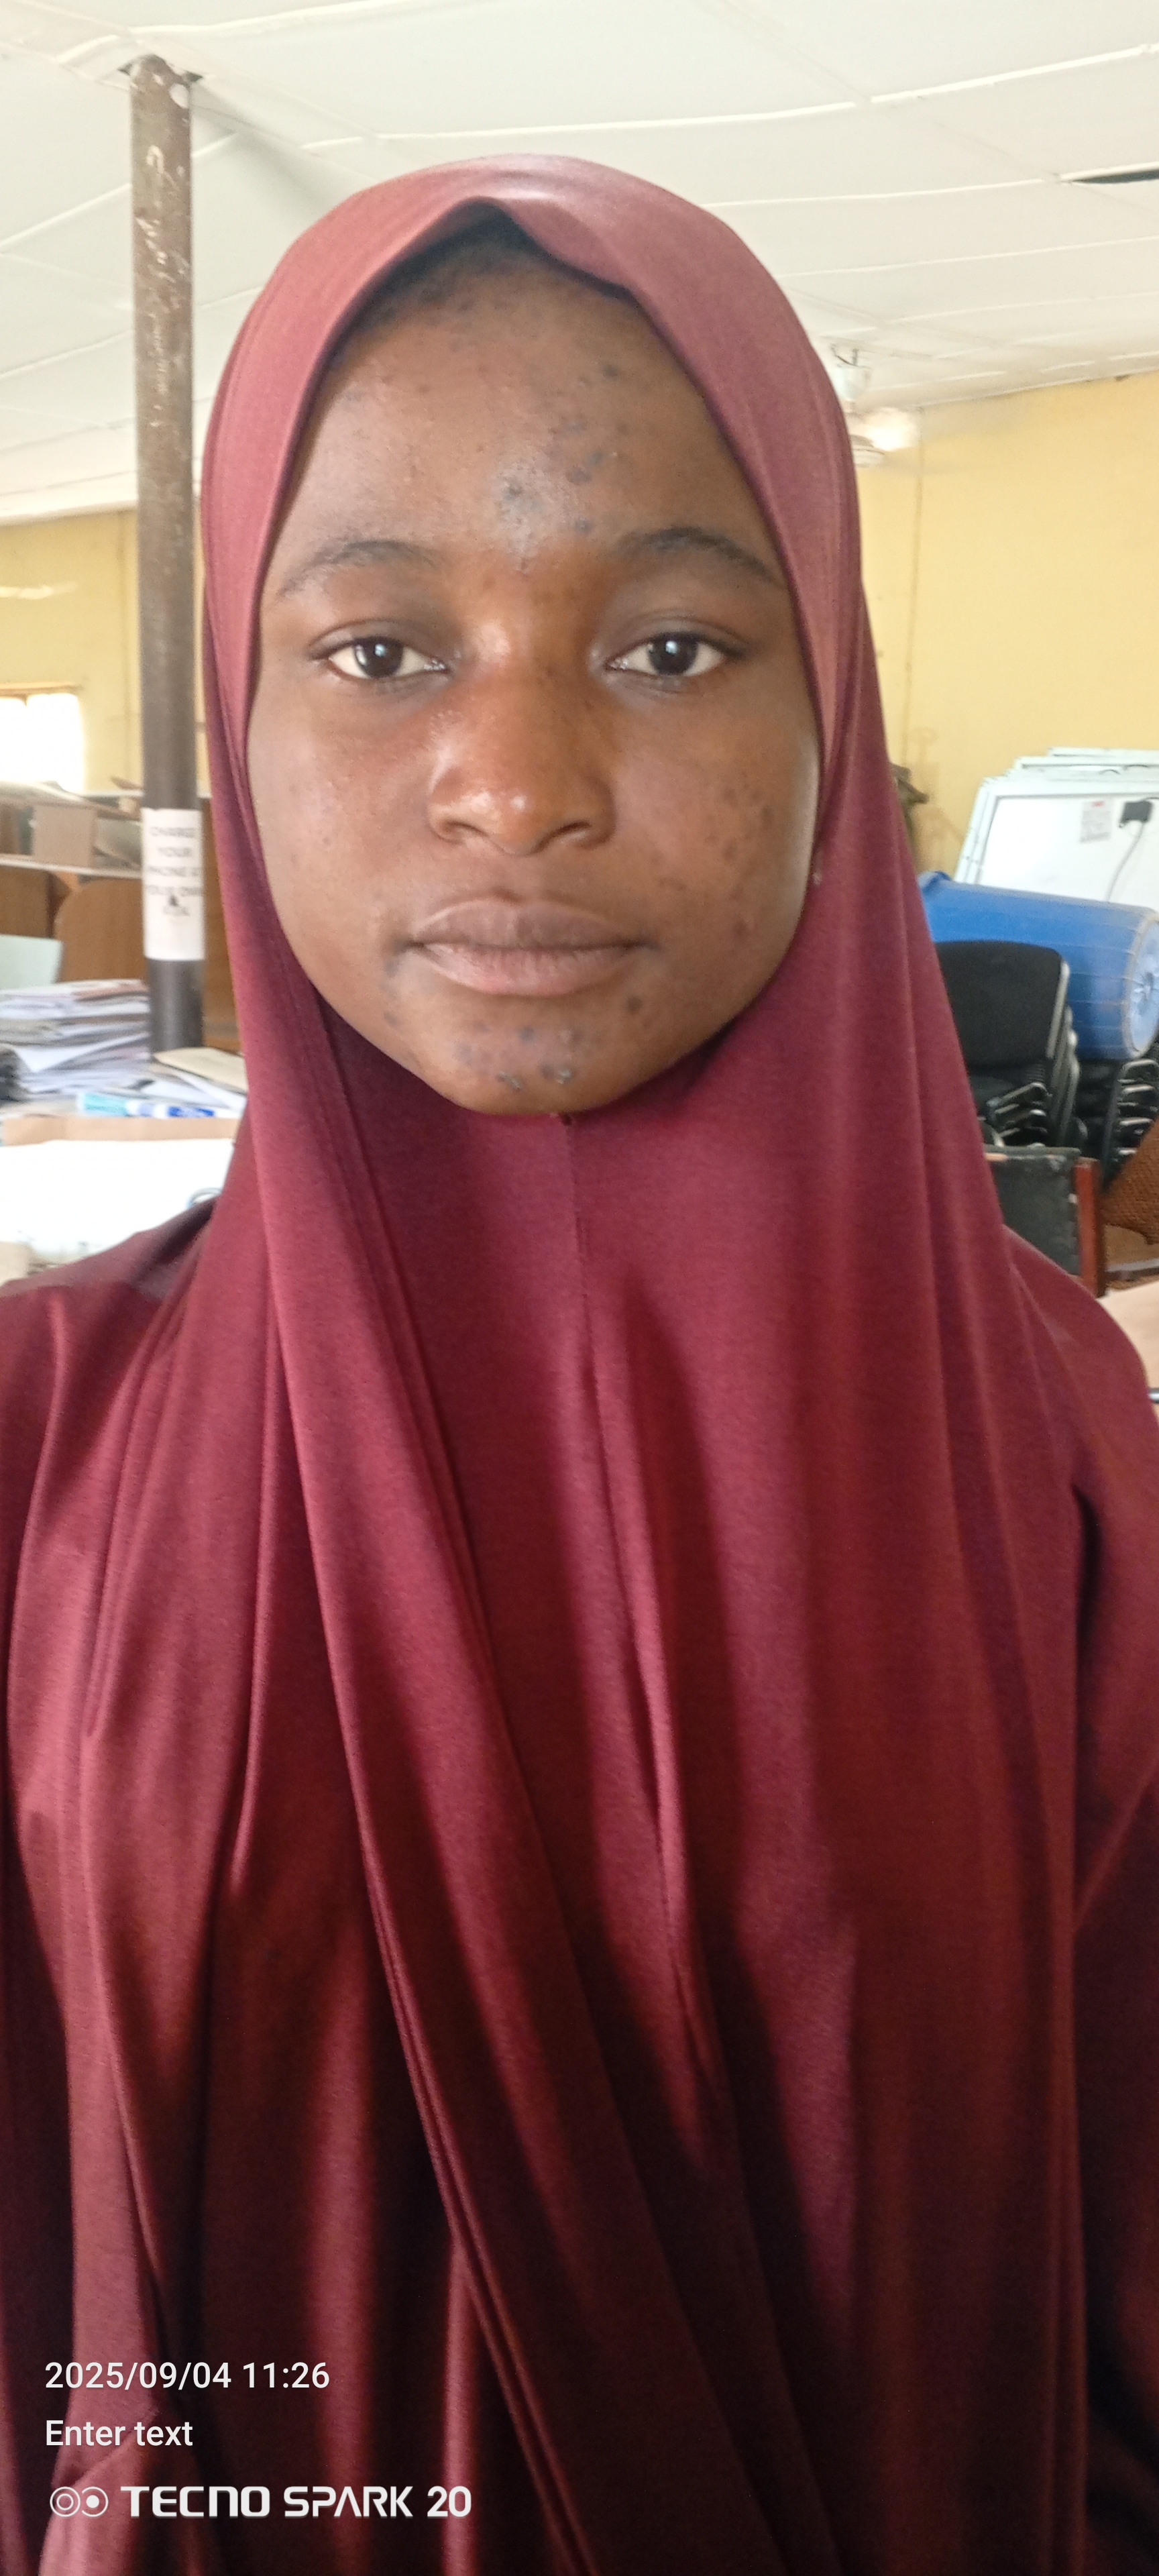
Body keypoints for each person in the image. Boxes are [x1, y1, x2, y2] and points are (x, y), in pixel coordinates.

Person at [2, 157, 1158, 2576]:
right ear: (238, 708)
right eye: (378, 650)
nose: (513, 782)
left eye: (671, 647)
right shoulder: (41, 1439)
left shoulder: (1054, 1444)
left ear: (835, 714)